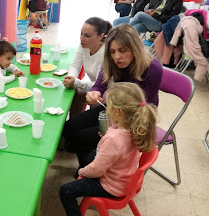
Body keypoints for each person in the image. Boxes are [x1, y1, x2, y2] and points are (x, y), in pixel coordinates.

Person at [62, 24, 162, 174]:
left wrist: (114, 127)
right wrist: (95, 93)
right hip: (113, 111)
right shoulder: (111, 61)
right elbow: (99, 85)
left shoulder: (153, 68)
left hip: (133, 119)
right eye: (113, 51)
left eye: (122, 50)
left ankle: (94, 169)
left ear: (135, 48)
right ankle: (93, 162)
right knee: (70, 127)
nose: (117, 57)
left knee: (83, 137)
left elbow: (146, 107)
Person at [59, 82, 157, 216]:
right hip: (126, 179)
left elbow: (97, 170)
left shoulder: (113, 139)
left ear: (117, 111)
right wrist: (107, 138)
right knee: (89, 156)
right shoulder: (136, 128)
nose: (106, 108)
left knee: (66, 191)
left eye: (107, 106)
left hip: (111, 186)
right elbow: (119, 148)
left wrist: (82, 172)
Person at [63, 17, 112, 118]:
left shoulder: (105, 53)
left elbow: (101, 84)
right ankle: (73, 123)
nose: (82, 38)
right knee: (76, 93)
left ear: (101, 36)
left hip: (108, 92)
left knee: (91, 99)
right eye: (81, 33)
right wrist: (71, 78)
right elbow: (75, 64)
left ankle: (84, 124)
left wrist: (76, 82)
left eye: (87, 35)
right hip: (96, 89)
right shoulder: (84, 45)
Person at [170, 12, 208, 80]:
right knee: (203, 61)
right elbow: (200, 31)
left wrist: (173, 43)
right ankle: (198, 78)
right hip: (192, 48)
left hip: (183, 48)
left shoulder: (183, 21)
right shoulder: (197, 25)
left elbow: (176, 34)